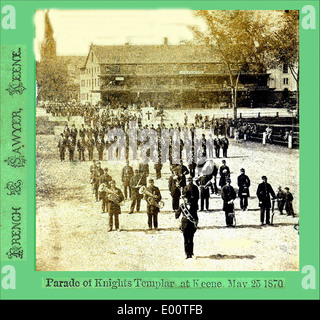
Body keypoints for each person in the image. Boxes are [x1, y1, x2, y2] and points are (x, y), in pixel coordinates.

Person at [175, 175, 199, 259]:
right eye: (186, 198)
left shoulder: (193, 206)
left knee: (191, 240)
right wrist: (179, 224)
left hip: (191, 225)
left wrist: (196, 223)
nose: (187, 200)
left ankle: (191, 253)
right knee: (185, 240)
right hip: (184, 224)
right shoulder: (182, 206)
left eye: (188, 198)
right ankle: (186, 254)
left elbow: (196, 216)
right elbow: (176, 215)